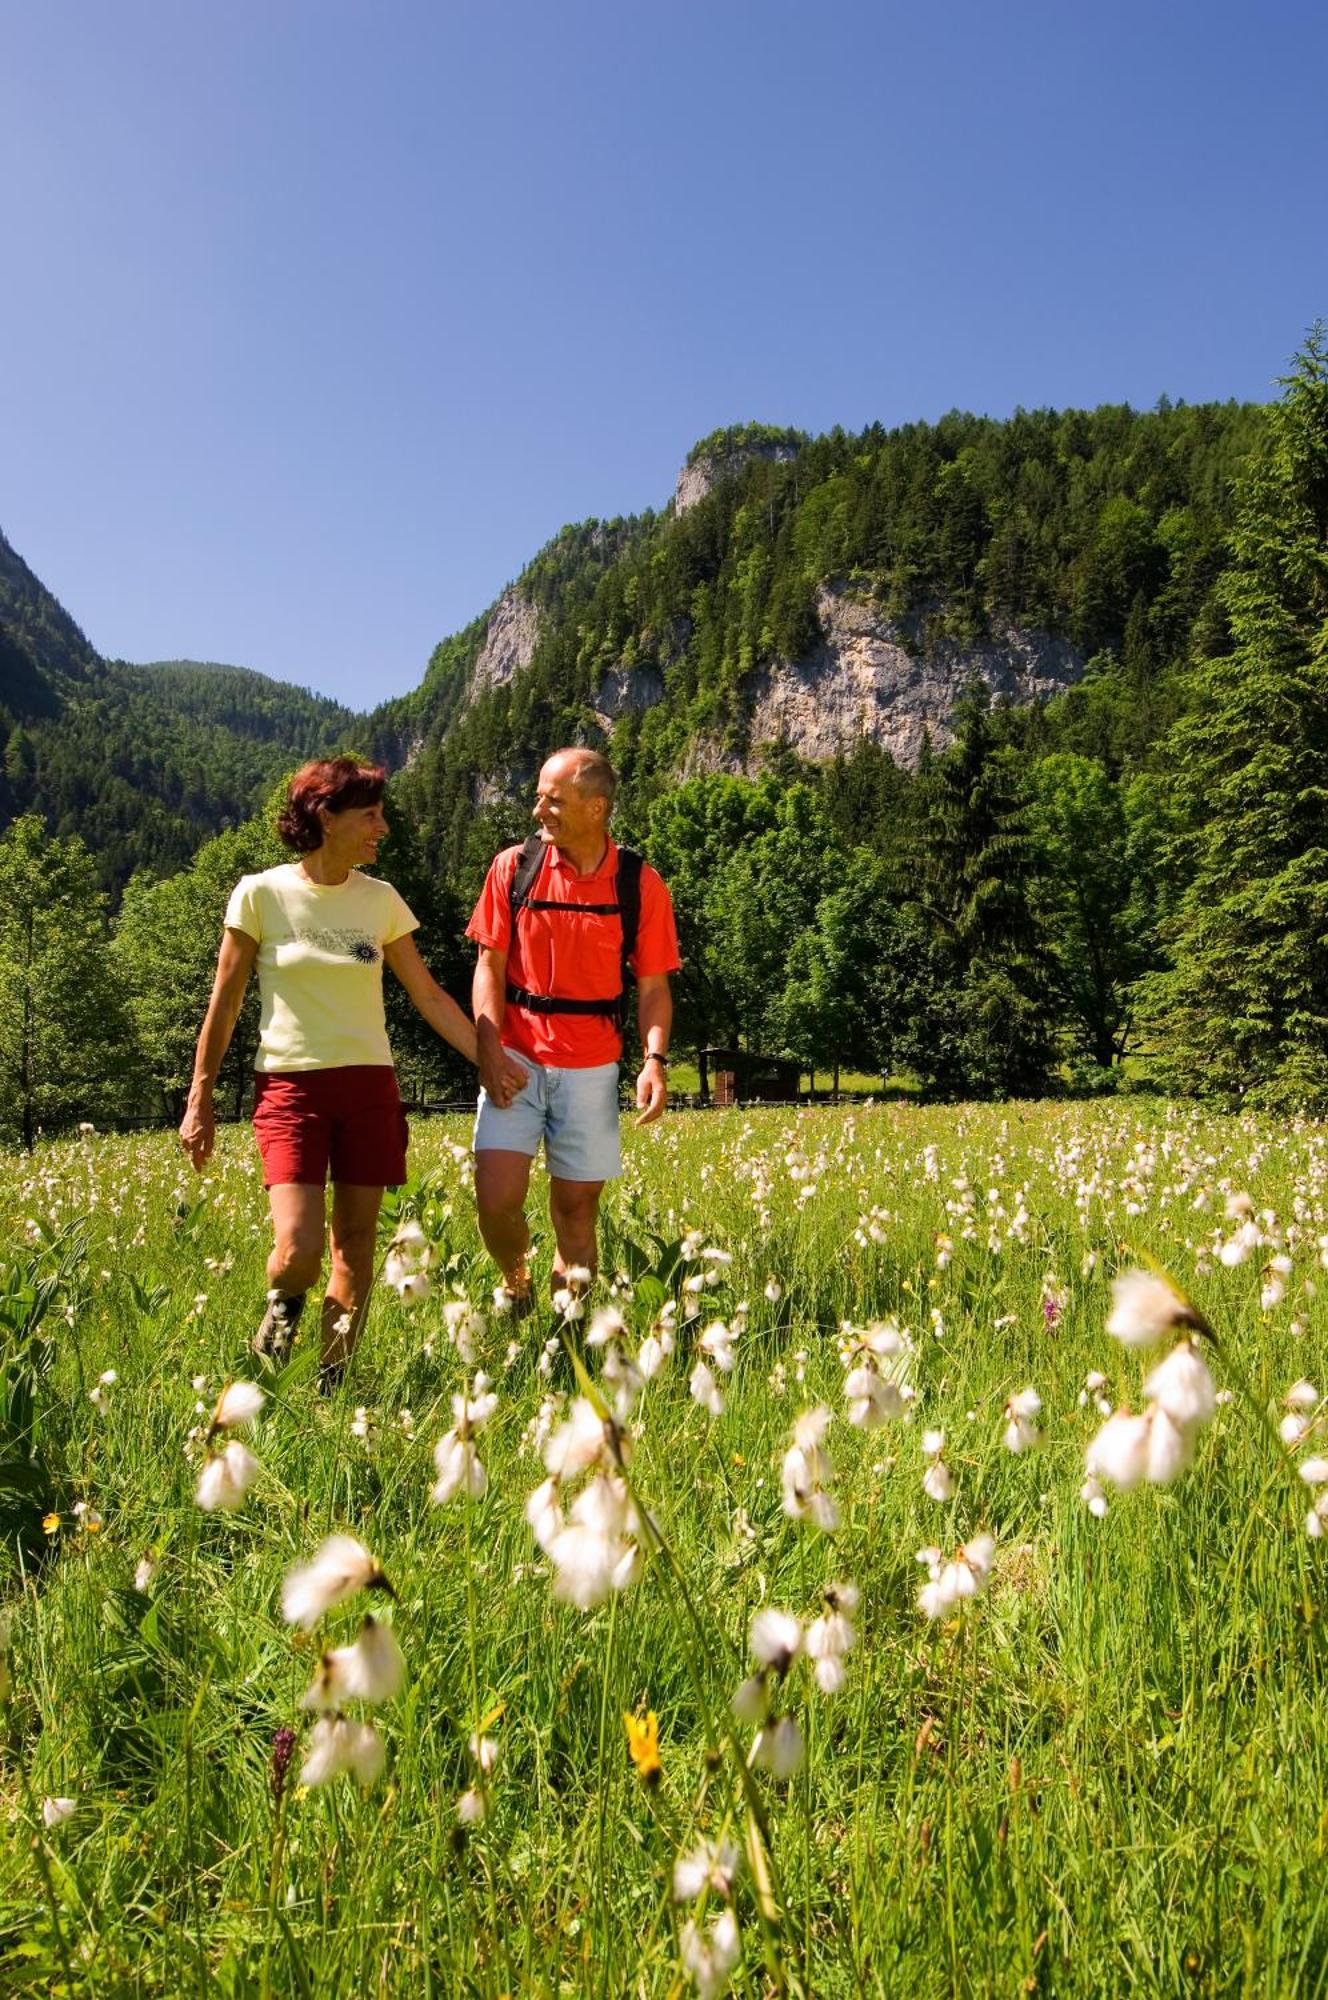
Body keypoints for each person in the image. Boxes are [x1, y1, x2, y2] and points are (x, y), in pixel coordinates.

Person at [179, 756, 525, 1389]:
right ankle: (282, 1312)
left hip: (370, 1088)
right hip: (291, 1088)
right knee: (297, 1248)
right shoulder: (259, 894)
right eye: (370, 816)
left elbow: (429, 998)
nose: (382, 829)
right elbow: (224, 1002)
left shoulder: (381, 901)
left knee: (357, 1244)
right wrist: (198, 1096)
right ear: (324, 817)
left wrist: (490, 1058)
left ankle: (333, 1383)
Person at [467, 746, 680, 1309]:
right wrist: (488, 1050)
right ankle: (517, 1283)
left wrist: (654, 1060)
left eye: (553, 800)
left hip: (591, 1067)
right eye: (539, 796)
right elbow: (487, 966)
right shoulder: (513, 868)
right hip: (514, 1058)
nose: (539, 810)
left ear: (596, 807)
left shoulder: (640, 884)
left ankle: (568, 1336)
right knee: (495, 1200)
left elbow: (655, 987)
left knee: (576, 1210)